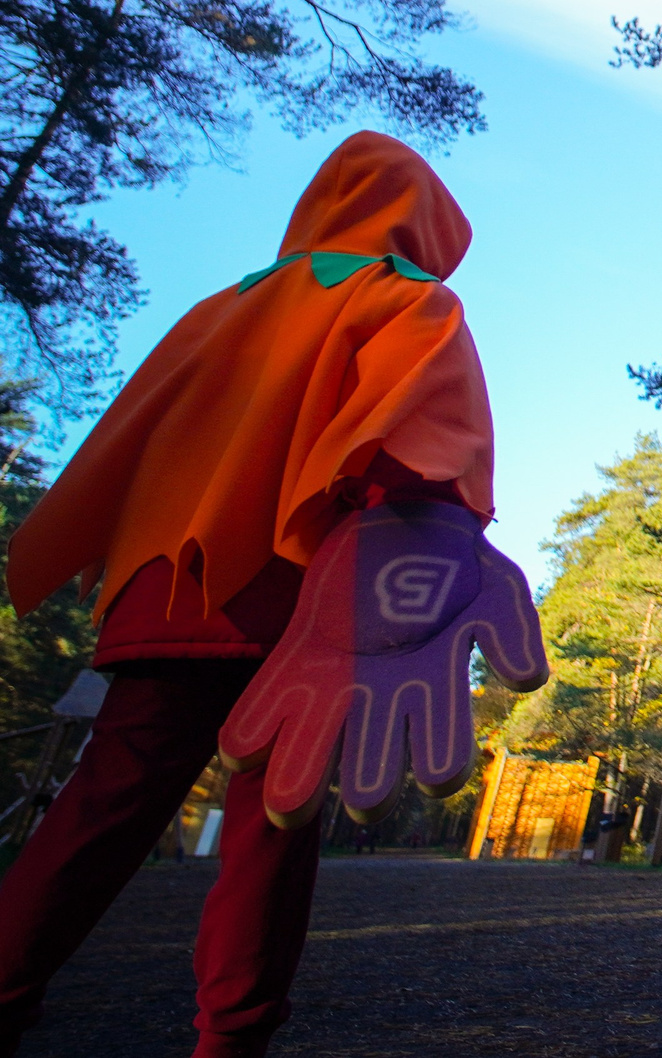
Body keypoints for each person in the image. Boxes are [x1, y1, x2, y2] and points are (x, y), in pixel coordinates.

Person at [0, 133, 548, 1057]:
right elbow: (422, 452)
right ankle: (231, 1037)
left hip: (163, 592)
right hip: (303, 608)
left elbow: (138, 447)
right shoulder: (406, 301)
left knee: (97, 810)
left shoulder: (220, 309)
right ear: (423, 224)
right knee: (274, 822)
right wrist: (434, 566)